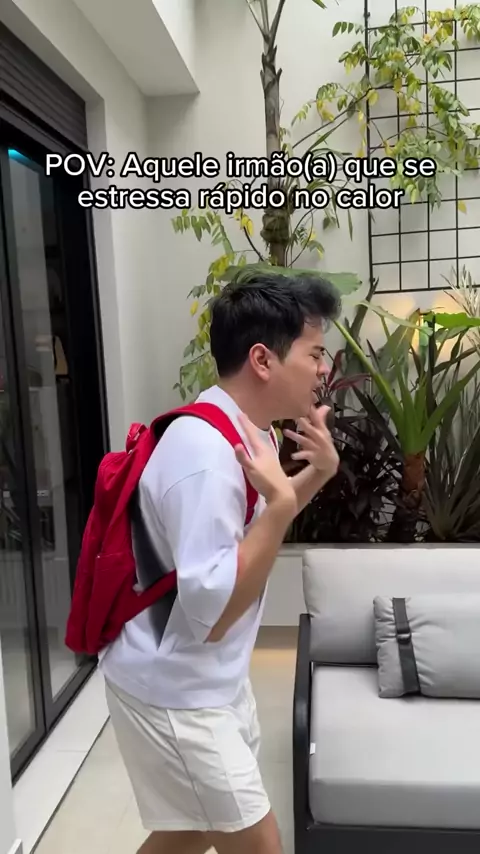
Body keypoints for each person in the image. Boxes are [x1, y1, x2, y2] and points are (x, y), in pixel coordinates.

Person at [99, 271, 341, 854]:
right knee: (256, 843)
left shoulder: (246, 431)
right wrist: (279, 507)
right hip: (176, 690)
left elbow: (252, 535)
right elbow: (215, 612)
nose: (323, 369)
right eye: (314, 353)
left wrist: (316, 474)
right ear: (262, 359)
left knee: (190, 833)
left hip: (206, 677)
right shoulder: (206, 454)